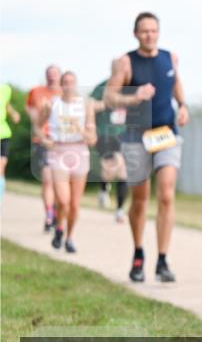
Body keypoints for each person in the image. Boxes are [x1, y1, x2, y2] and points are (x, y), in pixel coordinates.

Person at [104, 12, 189, 283]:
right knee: (140, 198)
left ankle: (163, 259)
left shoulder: (170, 57)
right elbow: (109, 96)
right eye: (144, 31)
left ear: (159, 32)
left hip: (166, 134)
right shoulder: (125, 62)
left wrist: (184, 106)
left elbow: (176, 83)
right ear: (135, 33)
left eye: (153, 30)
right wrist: (134, 96)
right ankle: (139, 252)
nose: (149, 35)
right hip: (136, 136)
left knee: (166, 194)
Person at [39, 71, 97, 253]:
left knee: (74, 204)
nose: (68, 86)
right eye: (65, 82)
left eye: (72, 82)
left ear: (76, 84)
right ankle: (59, 227)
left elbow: (93, 139)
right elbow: (38, 127)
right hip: (58, 152)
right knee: (63, 201)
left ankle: (69, 237)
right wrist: (44, 140)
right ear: (61, 84)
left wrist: (79, 128)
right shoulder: (52, 105)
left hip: (79, 152)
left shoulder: (85, 106)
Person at [26, 66, 61, 230]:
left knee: (58, 182)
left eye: (55, 74)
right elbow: (33, 118)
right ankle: (49, 215)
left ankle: (56, 211)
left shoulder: (65, 94)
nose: (52, 77)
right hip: (43, 141)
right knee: (48, 179)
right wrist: (42, 136)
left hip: (62, 142)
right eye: (50, 74)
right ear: (46, 76)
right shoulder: (36, 92)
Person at [91, 74, 129, 221]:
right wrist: (106, 103)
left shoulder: (130, 87)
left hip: (122, 133)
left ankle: (119, 209)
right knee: (112, 166)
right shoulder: (102, 87)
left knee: (122, 172)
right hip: (104, 132)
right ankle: (104, 188)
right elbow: (91, 106)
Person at [1, 83, 22, 199]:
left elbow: (5, 103)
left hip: (3, 133)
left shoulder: (5, 89)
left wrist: (13, 113)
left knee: (1, 167)